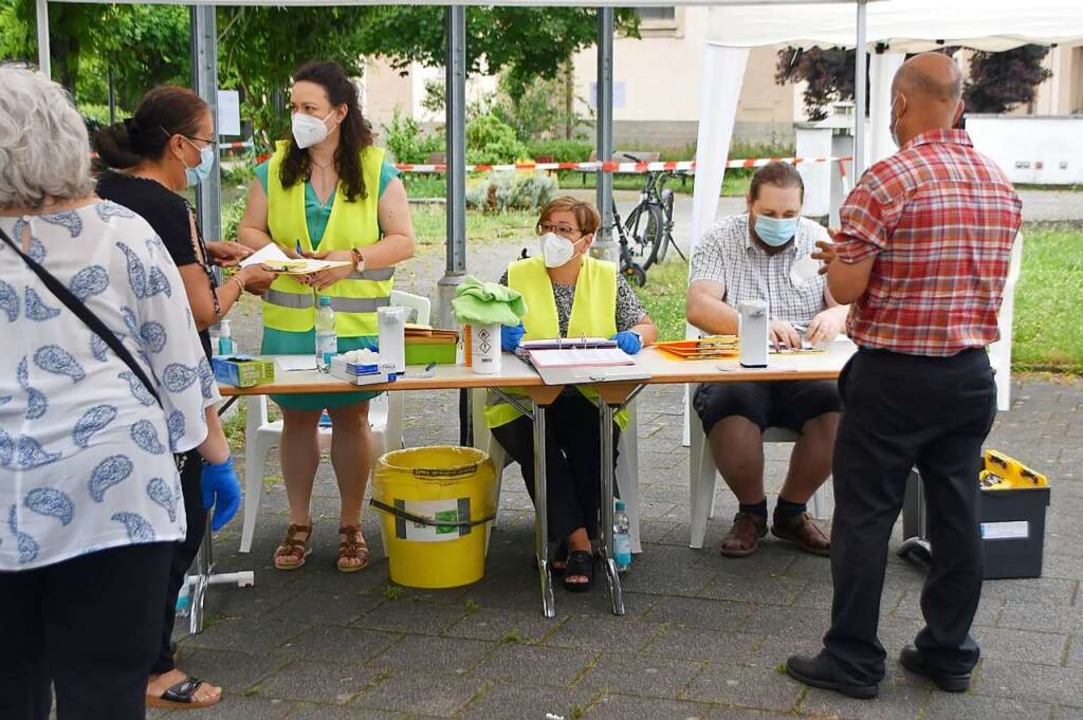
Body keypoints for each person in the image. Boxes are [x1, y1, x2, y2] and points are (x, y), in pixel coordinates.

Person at [786, 53, 1022, 699]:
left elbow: (846, 285)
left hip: (893, 377)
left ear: (899, 105)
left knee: (864, 519)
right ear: (959, 104)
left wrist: (842, 258)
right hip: (970, 374)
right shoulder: (999, 183)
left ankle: (853, 660)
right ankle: (947, 654)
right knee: (954, 513)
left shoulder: (887, 179)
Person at [0, 67, 231, 720]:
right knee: (104, 687)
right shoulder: (123, 231)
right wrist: (214, 457)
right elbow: (178, 361)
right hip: (118, 494)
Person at [93, 85, 275, 710]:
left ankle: (120, 652)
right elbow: (198, 309)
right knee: (181, 525)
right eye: (204, 144)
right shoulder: (167, 208)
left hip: (108, 386)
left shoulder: (106, 193)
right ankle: (156, 668)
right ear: (177, 144)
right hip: (165, 390)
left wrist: (209, 251)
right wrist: (244, 279)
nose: (207, 156)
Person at [238, 60, 416, 573]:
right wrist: (279, 255)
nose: (299, 117)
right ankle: (297, 523)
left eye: (309, 108)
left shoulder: (377, 167)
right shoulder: (273, 168)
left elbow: (403, 241)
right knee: (296, 417)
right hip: (289, 323)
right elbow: (248, 230)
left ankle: (350, 524)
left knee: (351, 418)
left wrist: (351, 261)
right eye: (294, 107)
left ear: (339, 113)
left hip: (355, 328)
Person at [488, 196, 657, 592]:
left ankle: (565, 537)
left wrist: (633, 337)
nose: (553, 236)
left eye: (564, 229)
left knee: (594, 441)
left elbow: (647, 327)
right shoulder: (515, 274)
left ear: (586, 239)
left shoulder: (606, 275)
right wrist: (498, 334)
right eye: (546, 227)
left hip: (587, 393)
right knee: (538, 444)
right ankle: (583, 542)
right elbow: (481, 326)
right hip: (522, 400)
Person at [685, 162, 846, 558]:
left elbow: (847, 303)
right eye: (770, 213)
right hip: (739, 365)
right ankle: (751, 512)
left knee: (841, 408)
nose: (780, 222)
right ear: (750, 204)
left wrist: (835, 315)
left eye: (789, 214)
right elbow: (698, 305)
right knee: (730, 407)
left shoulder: (816, 238)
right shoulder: (720, 239)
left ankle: (792, 511)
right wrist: (754, 324)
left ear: (802, 209)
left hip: (804, 366)